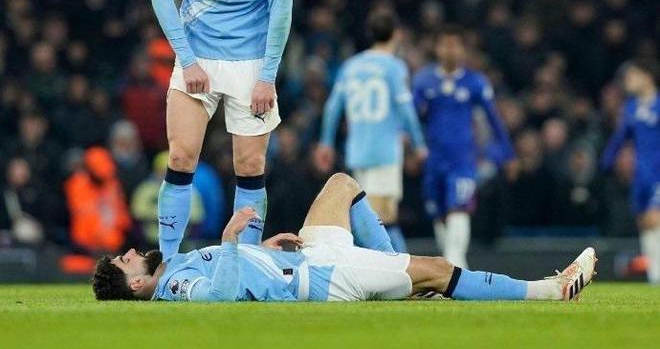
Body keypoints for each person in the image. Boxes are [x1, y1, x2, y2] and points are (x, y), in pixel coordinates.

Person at [92, 173, 596, 302]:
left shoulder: (174, 265)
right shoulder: (175, 286)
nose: (131, 252)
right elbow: (220, 297)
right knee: (440, 271)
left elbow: (236, 275)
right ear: (135, 285)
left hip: (307, 256)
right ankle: (551, 291)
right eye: (124, 261)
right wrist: (229, 240)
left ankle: (397, 278)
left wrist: (256, 249)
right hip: (320, 277)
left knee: (341, 185)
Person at [151, 0, 294, 258]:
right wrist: (187, 60)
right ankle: (167, 262)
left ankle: (247, 263)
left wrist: (267, 77)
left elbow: (282, 4)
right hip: (196, 56)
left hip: (252, 61)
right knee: (180, 156)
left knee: (250, 164)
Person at [315, 9, 427, 252]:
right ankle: (400, 267)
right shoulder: (395, 67)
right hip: (384, 152)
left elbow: (333, 107)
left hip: (357, 152)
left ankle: (385, 265)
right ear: (397, 34)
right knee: (384, 218)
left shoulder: (351, 66)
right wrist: (419, 144)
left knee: (366, 216)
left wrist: (326, 142)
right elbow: (406, 109)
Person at [412, 25, 517, 268]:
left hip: (462, 160)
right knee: (439, 216)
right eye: (445, 44)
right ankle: (451, 267)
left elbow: (493, 119)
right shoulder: (424, 80)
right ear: (437, 48)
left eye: (455, 45)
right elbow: (411, 118)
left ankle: (456, 269)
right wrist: (412, 147)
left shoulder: (475, 82)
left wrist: (508, 154)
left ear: (462, 50)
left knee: (459, 210)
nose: (450, 50)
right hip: (433, 161)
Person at [601, 60, 660, 283]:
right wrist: (606, 161)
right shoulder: (631, 108)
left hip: (658, 172)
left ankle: (658, 273)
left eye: (632, 76)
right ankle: (654, 274)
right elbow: (620, 138)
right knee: (644, 222)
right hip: (640, 174)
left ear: (647, 76)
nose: (628, 82)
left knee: (655, 218)